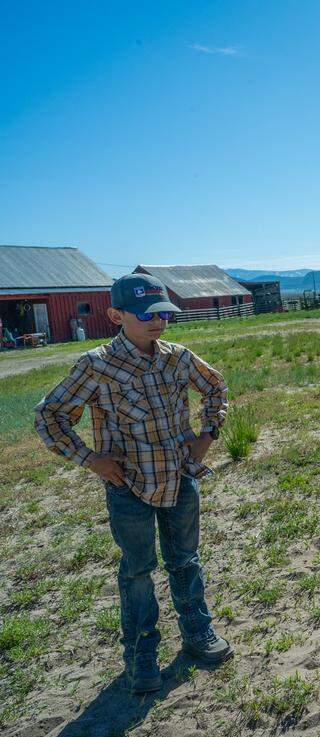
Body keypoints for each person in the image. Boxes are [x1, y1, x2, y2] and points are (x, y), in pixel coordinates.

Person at [35, 273, 234, 694]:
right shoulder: (96, 365)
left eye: (164, 313)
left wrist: (207, 435)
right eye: (147, 314)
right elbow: (50, 415)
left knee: (185, 560)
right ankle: (142, 652)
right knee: (138, 570)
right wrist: (91, 460)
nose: (158, 322)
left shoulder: (177, 357)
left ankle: (198, 634)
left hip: (180, 479)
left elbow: (215, 386)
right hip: (128, 488)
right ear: (115, 315)